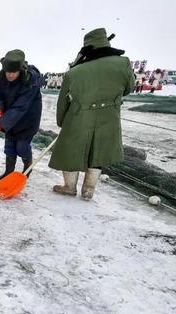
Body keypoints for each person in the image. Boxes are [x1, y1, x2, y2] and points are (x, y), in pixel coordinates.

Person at [50, 28, 134, 200]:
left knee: (71, 150)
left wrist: (62, 121)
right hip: (109, 116)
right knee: (99, 151)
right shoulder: (123, 63)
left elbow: (63, 102)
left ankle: (69, 187)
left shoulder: (74, 72)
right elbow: (129, 88)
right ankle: (89, 190)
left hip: (79, 115)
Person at [0, 50, 42, 180]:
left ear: (20, 70)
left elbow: (21, 106)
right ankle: (8, 172)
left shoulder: (31, 80)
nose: (10, 75)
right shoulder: (3, 77)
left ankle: (27, 169)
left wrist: (2, 123)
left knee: (22, 146)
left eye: (13, 72)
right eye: (8, 72)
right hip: (10, 118)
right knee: (9, 145)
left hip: (27, 119)